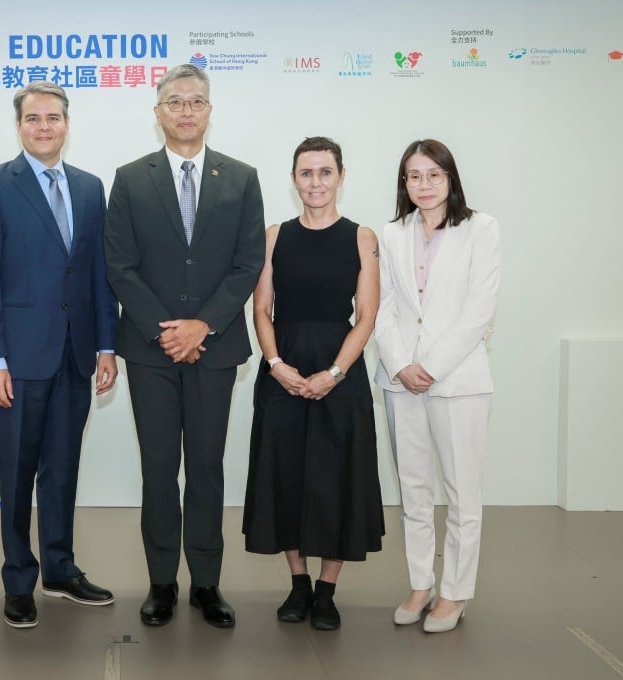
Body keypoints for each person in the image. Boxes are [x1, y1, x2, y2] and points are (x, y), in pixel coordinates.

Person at [105, 64, 265, 629]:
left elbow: (248, 262)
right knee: (157, 467)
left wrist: (203, 326)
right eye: (175, 101)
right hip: (151, 350)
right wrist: (168, 330)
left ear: (209, 110)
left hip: (215, 349)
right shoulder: (129, 178)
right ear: (158, 112)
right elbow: (119, 266)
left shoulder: (241, 178)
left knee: (206, 467)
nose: (186, 111)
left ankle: (207, 583)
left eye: (196, 101)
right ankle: (160, 582)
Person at [0, 82, 119, 629]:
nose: (44, 126)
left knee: (62, 470)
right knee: (17, 473)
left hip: (76, 355)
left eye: (53, 117)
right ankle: (18, 579)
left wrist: (105, 344)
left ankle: (60, 569)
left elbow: (98, 273)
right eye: (33, 118)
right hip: (18, 360)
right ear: (19, 125)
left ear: (67, 123)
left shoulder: (90, 188)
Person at [242, 137, 383, 631]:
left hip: (340, 372)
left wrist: (335, 374)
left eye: (325, 172)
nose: (316, 182)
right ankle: (298, 584)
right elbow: (261, 309)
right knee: (287, 477)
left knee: (335, 478)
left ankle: (327, 590)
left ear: (341, 176)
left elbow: (366, 315)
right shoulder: (274, 236)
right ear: (294, 179)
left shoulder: (362, 237)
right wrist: (276, 363)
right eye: (306, 173)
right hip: (283, 371)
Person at [375, 139, 500, 633]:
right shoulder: (391, 233)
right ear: (403, 183)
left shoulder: (480, 228)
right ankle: (421, 583)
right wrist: (403, 365)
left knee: (462, 493)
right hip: (400, 380)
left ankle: (455, 593)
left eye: (434, 175)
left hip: (459, 381)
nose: (424, 186)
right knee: (414, 490)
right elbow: (379, 307)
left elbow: (480, 309)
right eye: (413, 176)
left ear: (450, 178)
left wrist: (430, 365)